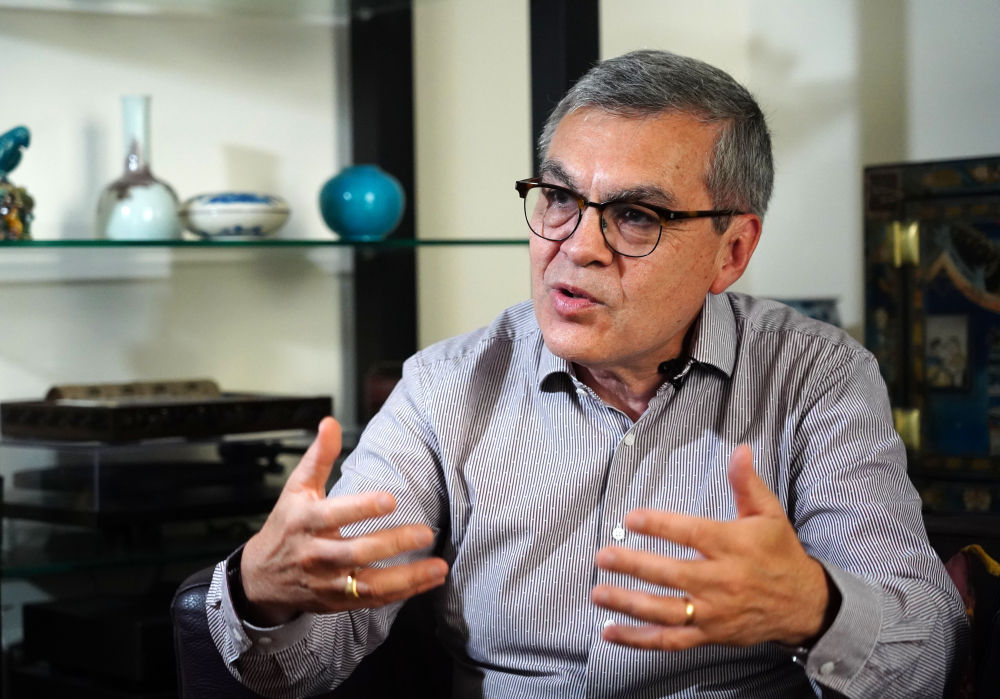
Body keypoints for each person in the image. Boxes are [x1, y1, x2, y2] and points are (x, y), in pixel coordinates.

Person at [207, 49, 968, 698]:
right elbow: (299, 666)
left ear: (732, 251)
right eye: (560, 197)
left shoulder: (816, 376)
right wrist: (261, 591)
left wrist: (813, 607)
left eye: (636, 216)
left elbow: (928, 656)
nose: (576, 246)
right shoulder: (445, 388)